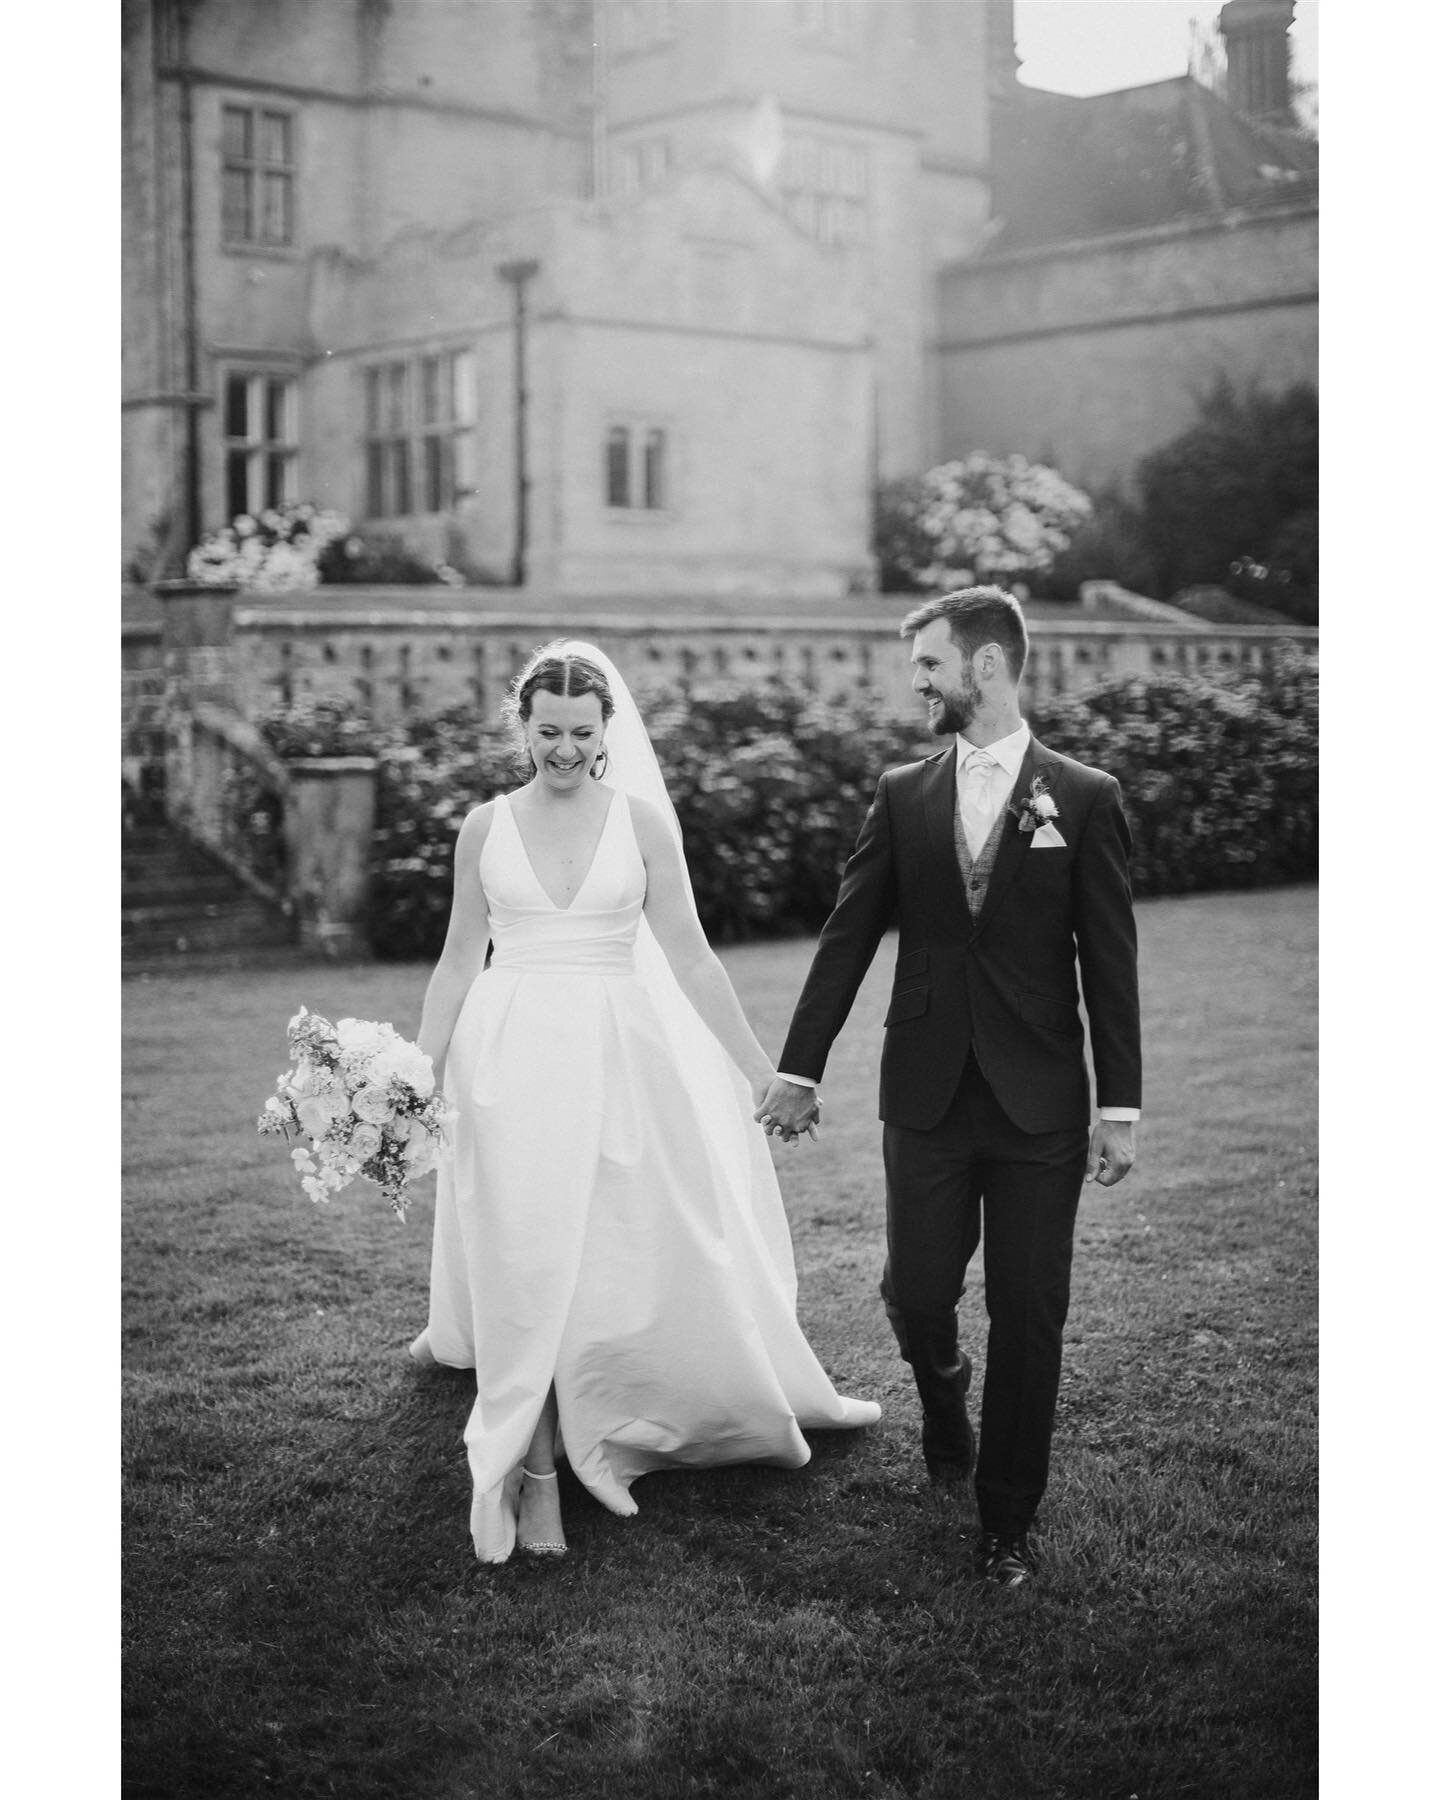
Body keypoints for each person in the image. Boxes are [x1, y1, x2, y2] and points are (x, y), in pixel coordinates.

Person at [409, 640, 880, 1564]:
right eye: (547, 731)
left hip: (619, 1055)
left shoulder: (641, 825)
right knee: (523, 1254)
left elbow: (691, 957)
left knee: (599, 1253)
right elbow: (460, 958)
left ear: (607, 731)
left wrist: (761, 1070)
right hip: (505, 1060)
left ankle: (601, 1412)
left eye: (582, 733)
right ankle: (535, 1470)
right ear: (522, 725)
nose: (564, 750)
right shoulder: (484, 828)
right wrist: (415, 1072)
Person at [756, 588, 1141, 1589]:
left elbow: (1110, 963)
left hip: (1040, 1107)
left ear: (985, 665)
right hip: (924, 1094)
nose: (915, 681)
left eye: (928, 663)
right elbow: (847, 937)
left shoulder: (1085, 796)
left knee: (1030, 1310)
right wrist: (801, 1067)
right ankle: (942, 1395)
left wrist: (1120, 1107)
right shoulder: (903, 795)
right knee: (915, 1292)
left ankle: (1006, 1522)